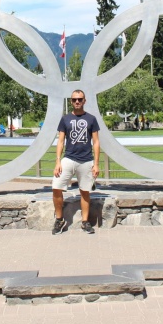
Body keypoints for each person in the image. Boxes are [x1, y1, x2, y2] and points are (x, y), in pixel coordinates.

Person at [52, 89, 100, 235]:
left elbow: (96, 142)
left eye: (80, 99)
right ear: (71, 101)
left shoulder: (91, 119)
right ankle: (59, 219)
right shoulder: (65, 119)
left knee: (85, 191)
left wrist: (96, 164)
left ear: (84, 101)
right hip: (68, 158)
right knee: (56, 186)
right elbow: (60, 142)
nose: (77, 102)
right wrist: (58, 161)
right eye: (74, 100)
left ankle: (85, 222)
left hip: (86, 160)